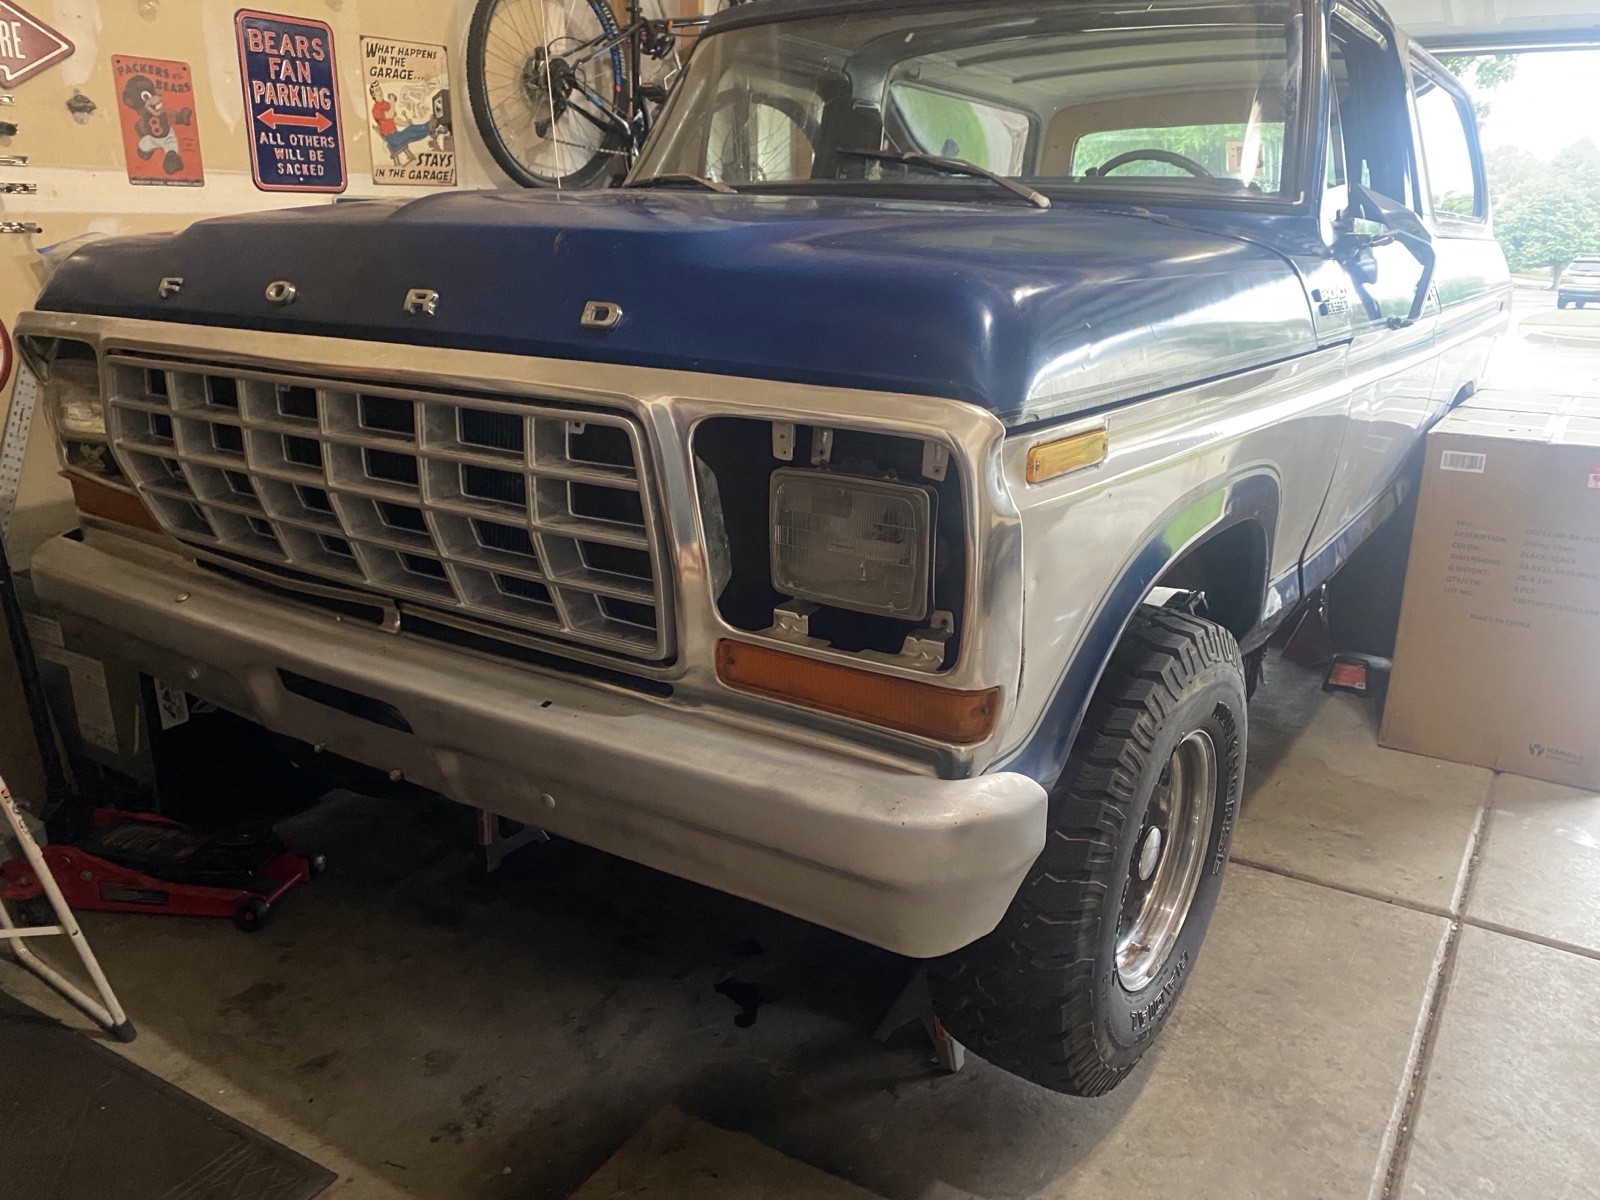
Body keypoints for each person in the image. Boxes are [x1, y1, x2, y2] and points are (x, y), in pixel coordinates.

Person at [122, 74, 191, 175]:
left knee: (171, 146)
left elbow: (172, 116)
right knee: (143, 144)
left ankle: (171, 160)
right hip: (151, 138)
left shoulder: (163, 114)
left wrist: (181, 117)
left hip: (167, 136)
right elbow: (140, 129)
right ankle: (145, 151)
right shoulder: (143, 119)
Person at [370, 81, 431, 167]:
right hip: (392, 140)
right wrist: (393, 102)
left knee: (411, 127)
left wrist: (406, 124)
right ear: (373, 95)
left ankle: (428, 127)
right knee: (410, 133)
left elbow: (395, 119)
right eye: (376, 90)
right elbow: (390, 115)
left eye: (379, 89)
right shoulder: (375, 110)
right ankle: (428, 128)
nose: (379, 91)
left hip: (396, 134)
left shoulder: (387, 104)